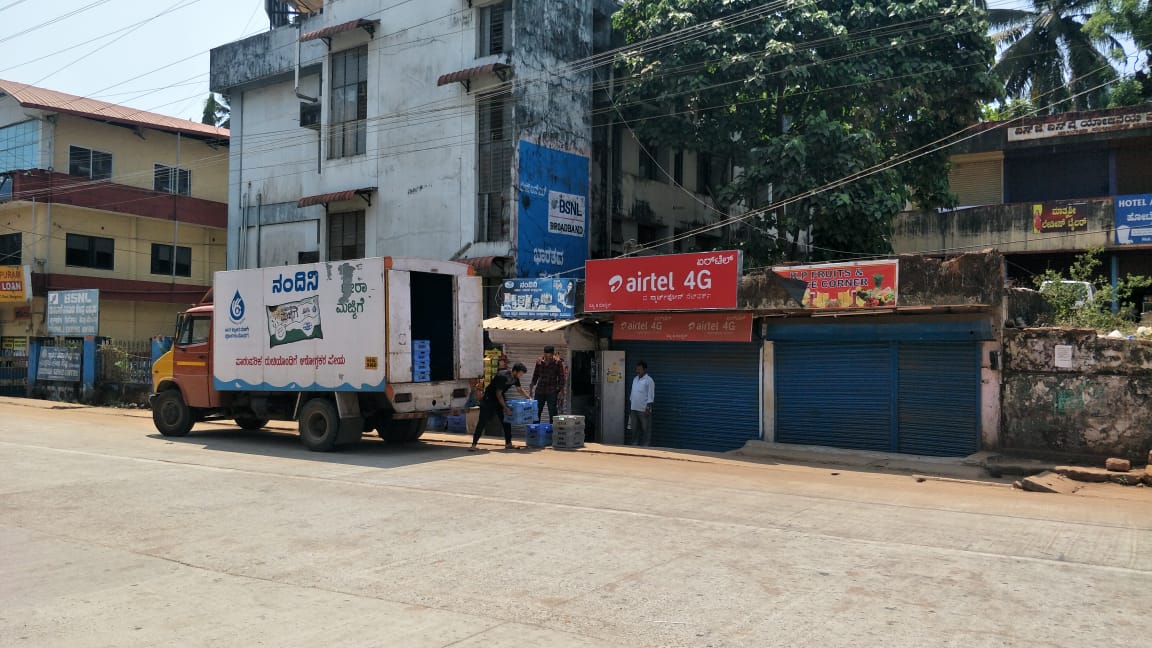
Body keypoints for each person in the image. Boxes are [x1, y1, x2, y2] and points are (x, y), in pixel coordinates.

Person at [471, 362, 528, 451]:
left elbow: (519, 389)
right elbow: (498, 394)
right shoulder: (503, 376)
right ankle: (473, 445)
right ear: (515, 371)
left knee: (506, 421)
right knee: (482, 421)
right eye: (521, 374)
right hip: (489, 398)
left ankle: (508, 444)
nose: (521, 376)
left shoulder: (515, 378)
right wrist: (505, 408)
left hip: (499, 398)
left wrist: (529, 399)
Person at [530, 345, 566, 422]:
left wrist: (561, 391)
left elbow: (561, 378)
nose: (547, 358)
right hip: (540, 390)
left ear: (553, 354)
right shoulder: (539, 362)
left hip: (552, 391)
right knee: (536, 412)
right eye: (546, 356)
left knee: (553, 413)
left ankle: (553, 428)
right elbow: (535, 375)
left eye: (549, 356)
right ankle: (535, 428)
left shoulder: (557, 363)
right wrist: (531, 388)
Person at [628, 361, 655, 447]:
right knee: (634, 429)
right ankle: (634, 445)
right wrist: (630, 407)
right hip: (634, 409)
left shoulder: (649, 380)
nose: (637, 371)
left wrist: (648, 408)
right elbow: (632, 393)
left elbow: (651, 395)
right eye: (637, 369)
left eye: (639, 369)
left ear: (645, 370)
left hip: (644, 410)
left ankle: (645, 446)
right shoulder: (635, 379)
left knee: (645, 429)